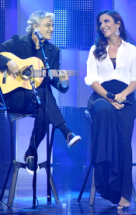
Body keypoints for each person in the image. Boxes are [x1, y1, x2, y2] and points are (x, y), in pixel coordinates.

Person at [0, 11, 81, 174]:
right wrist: (8, 61)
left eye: (53, 26)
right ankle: (66, 132)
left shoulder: (53, 51)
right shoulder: (17, 43)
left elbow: (54, 80)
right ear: (35, 27)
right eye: (48, 25)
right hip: (14, 96)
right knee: (44, 98)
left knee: (43, 100)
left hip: (38, 100)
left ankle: (31, 151)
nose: (52, 29)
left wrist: (64, 82)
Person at [84, 10, 136, 210]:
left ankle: (124, 193)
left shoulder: (131, 50)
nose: (102, 25)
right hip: (101, 96)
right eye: (100, 22)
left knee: (124, 140)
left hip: (125, 96)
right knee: (104, 111)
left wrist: (123, 95)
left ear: (118, 23)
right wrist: (109, 97)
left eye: (106, 21)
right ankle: (103, 173)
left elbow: (135, 79)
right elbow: (92, 80)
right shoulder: (95, 49)